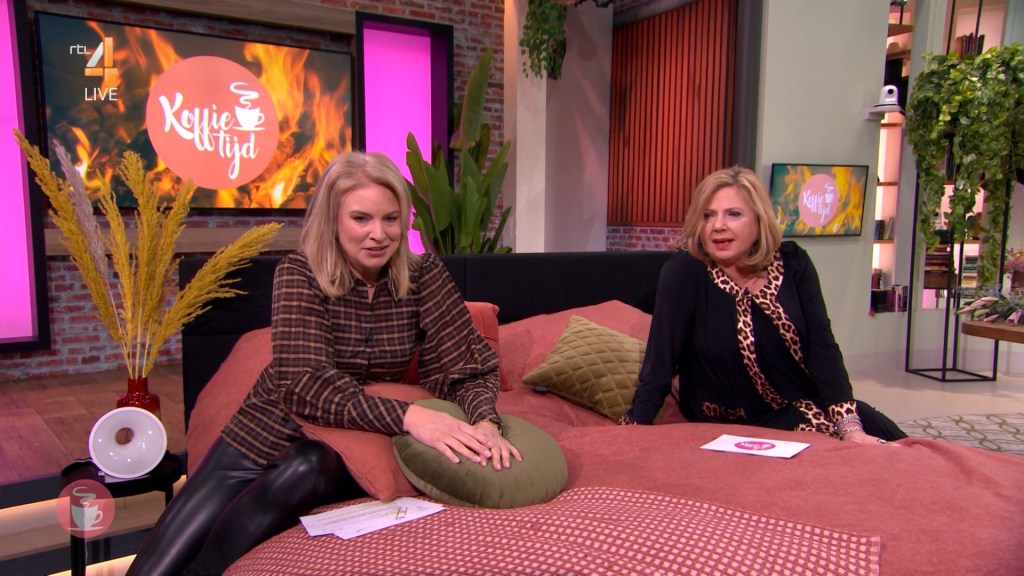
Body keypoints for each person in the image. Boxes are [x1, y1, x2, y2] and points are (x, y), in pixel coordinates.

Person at [127, 151, 521, 576]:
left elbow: (466, 365)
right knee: (155, 567)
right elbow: (304, 385)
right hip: (263, 436)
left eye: (391, 219)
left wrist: (485, 422)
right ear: (332, 219)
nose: (378, 234)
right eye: (361, 218)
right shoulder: (300, 273)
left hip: (336, 446)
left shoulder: (424, 275)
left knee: (305, 468)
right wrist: (410, 417)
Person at [620, 166, 906, 445]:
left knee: (894, 442)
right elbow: (660, 361)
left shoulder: (793, 263)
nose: (718, 225)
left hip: (800, 403)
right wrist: (633, 429)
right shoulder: (684, 272)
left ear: (759, 220)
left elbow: (821, 345)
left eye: (733, 214)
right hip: (732, 419)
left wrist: (849, 425)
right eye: (708, 215)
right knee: (851, 454)